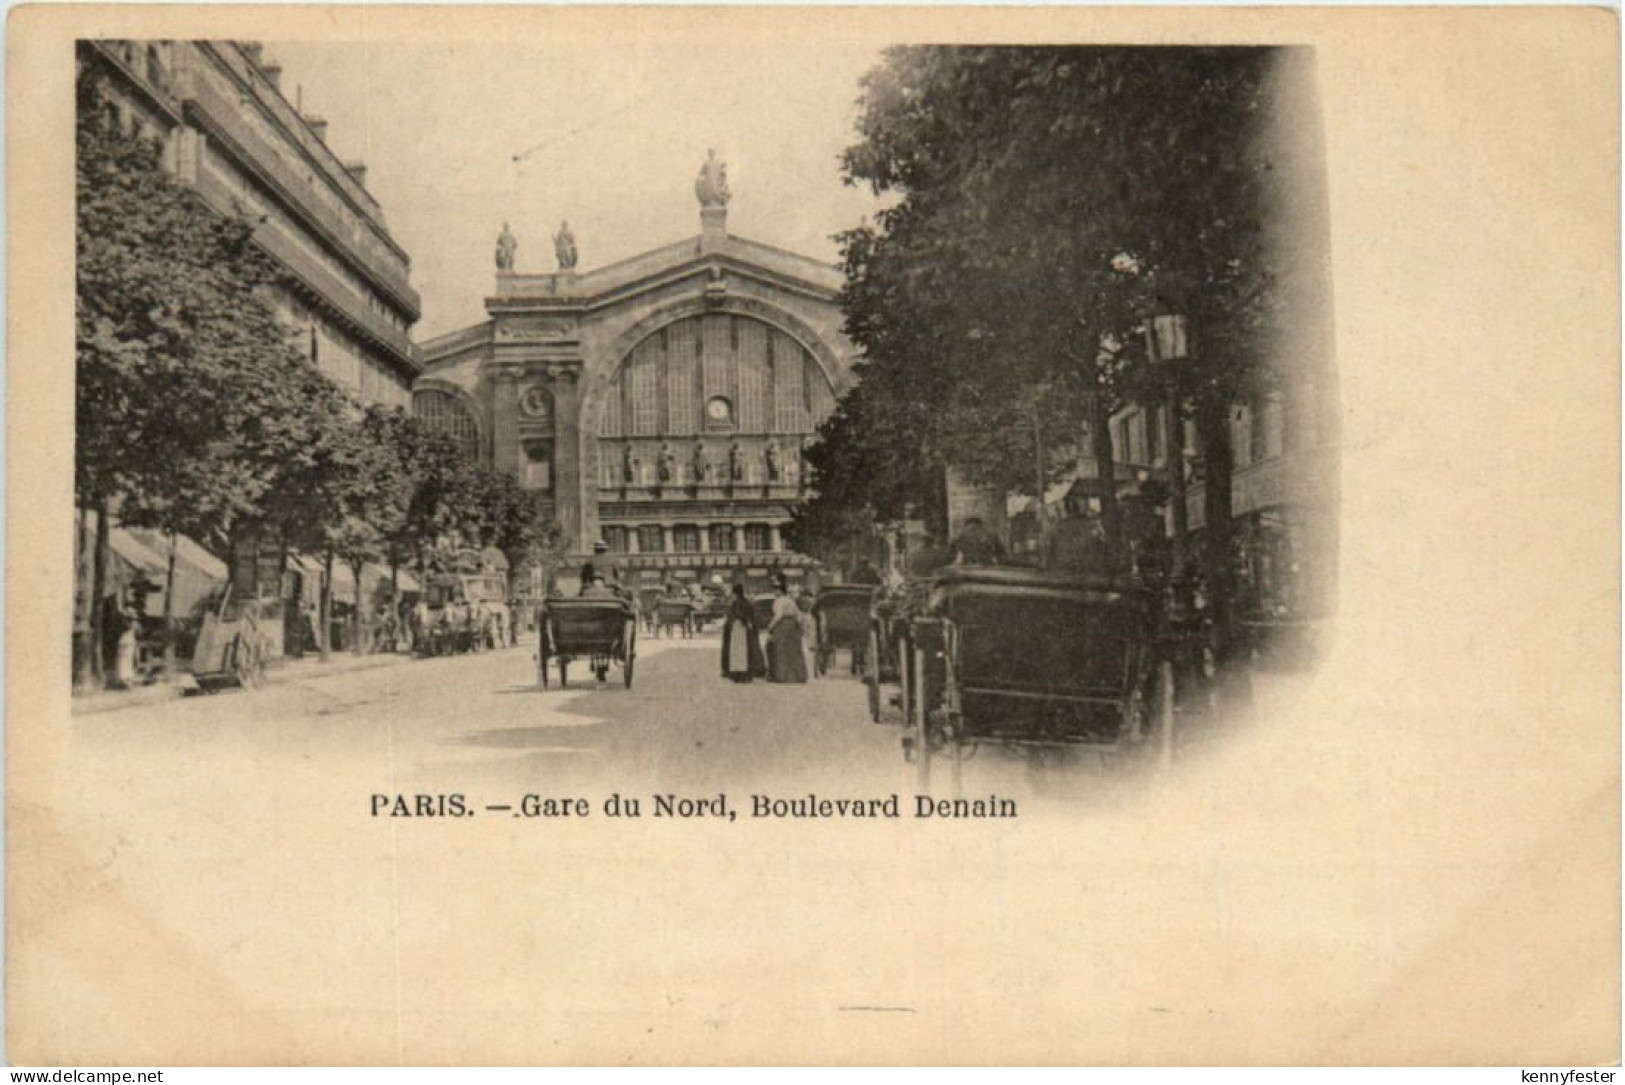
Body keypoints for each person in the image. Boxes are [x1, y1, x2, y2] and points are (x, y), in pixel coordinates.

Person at [720, 583, 766, 682]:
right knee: (746, 649)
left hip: (738, 627)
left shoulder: (736, 602)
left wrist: (741, 620)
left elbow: (736, 613)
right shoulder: (747, 602)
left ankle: (737, 671)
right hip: (746, 627)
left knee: (737, 650)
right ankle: (747, 670)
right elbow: (751, 615)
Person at [767, 578, 809, 684]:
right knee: (794, 651)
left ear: (779, 591)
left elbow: (778, 615)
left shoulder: (779, 601)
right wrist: (801, 627)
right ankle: (798, 676)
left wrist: (771, 626)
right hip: (793, 626)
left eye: (775, 590)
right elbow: (798, 615)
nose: (774, 592)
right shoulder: (791, 601)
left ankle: (781, 676)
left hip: (782, 626)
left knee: (781, 651)